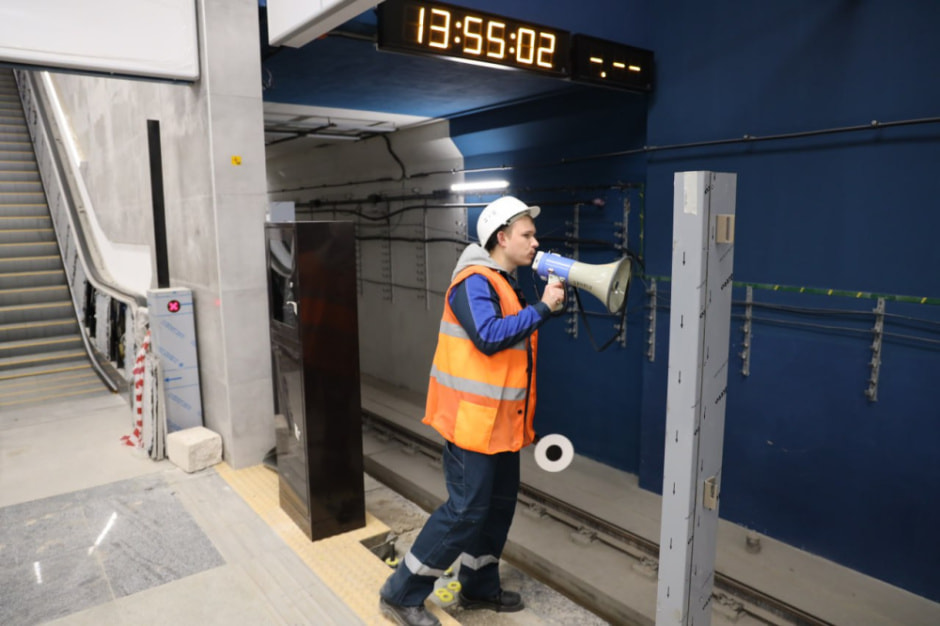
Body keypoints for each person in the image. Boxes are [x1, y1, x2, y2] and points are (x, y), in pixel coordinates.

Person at [379, 196, 566, 626]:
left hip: (501, 425)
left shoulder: (503, 281)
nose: (535, 242)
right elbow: (487, 336)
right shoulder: (473, 281)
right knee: (465, 512)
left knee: (497, 508)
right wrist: (541, 309)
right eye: (527, 234)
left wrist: (544, 308)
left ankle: (478, 586)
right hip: (471, 425)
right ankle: (401, 592)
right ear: (502, 238)